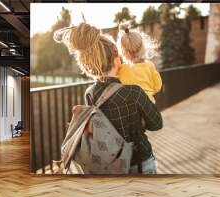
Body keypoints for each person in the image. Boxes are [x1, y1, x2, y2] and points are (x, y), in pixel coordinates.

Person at [55, 23, 163, 174]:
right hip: (139, 161)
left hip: (111, 165)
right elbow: (157, 124)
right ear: (116, 59)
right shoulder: (134, 92)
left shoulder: (90, 93)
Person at [117, 23, 162, 103]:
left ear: (123, 51)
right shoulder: (149, 66)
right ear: (143, 47)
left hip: (129, 106)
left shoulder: (121, 69)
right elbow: (157, 86)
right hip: (148, 102)